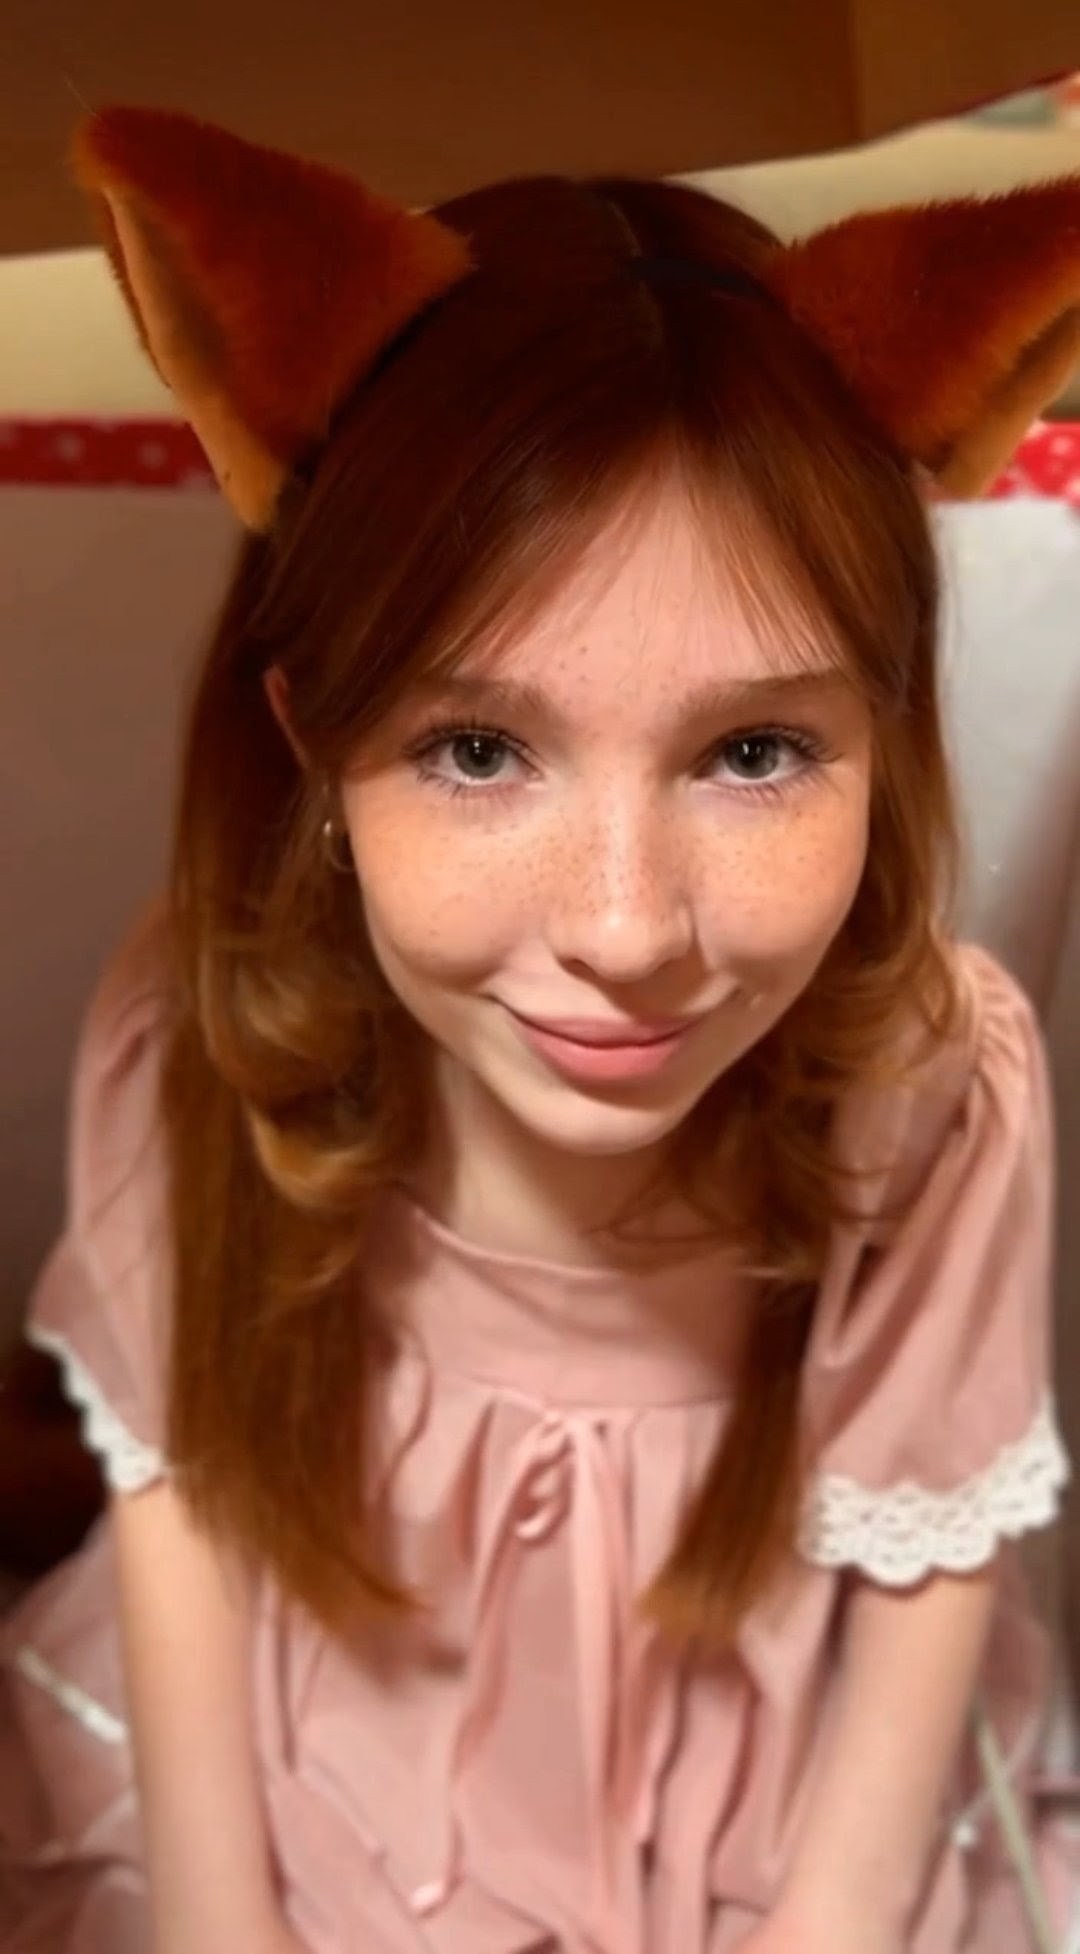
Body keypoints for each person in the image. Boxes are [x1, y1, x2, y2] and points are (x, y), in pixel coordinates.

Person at [1, 105, 1078, 1954]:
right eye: (479, 749)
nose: (626, 932)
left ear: (884, 732)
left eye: (756, 750)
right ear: (316, 742)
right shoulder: (197, 1022)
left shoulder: (931, 1081)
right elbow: (178, 1483)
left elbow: (930, 1553)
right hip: (300, 1738)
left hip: (764, 1777)